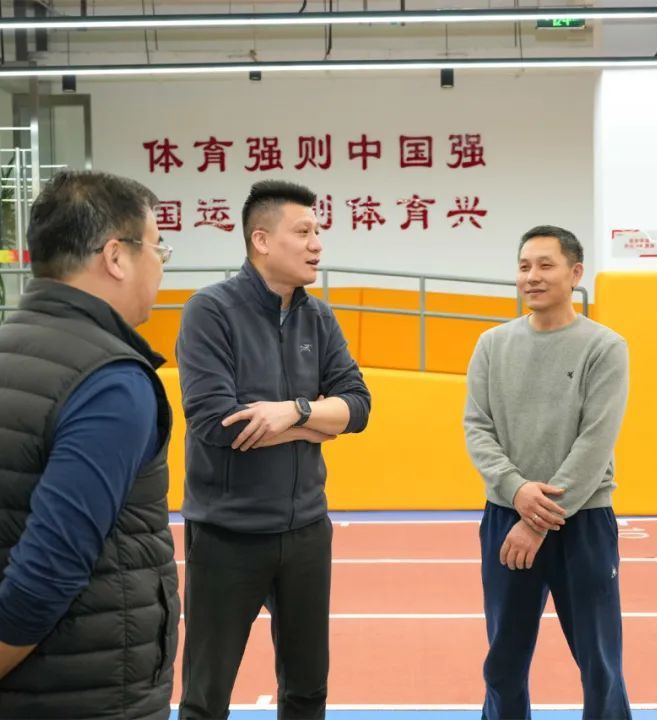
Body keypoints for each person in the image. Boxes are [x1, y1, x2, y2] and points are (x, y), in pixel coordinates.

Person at [0, 170, 178, 720]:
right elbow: (49, 569)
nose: (161, 265)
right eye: (157, 247)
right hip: (90, 699)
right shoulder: (111, 381)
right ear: (116, 257)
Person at [177, 179, 371, 720]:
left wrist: (294, 413)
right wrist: (319, 423)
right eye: (303, 232)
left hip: (306, 530)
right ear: (261, 240)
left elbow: (358, 406)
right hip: (227, 534)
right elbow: (217, 423)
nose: (317, 245)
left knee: (307, 691)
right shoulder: (210, 311)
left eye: (318, 232)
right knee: (205, 698)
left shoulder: (318, 317)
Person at [464, 225, 632, 720]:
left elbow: (595, 442)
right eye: (524, 267)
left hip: (582, 522)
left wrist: (538, 519)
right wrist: (517, 492)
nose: (531, 276)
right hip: (506, 518)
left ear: (575, 273)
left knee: (600, 664)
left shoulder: (605, 347)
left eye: (545, 265)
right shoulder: (492, 345)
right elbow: (477, 428)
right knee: (503, 663)